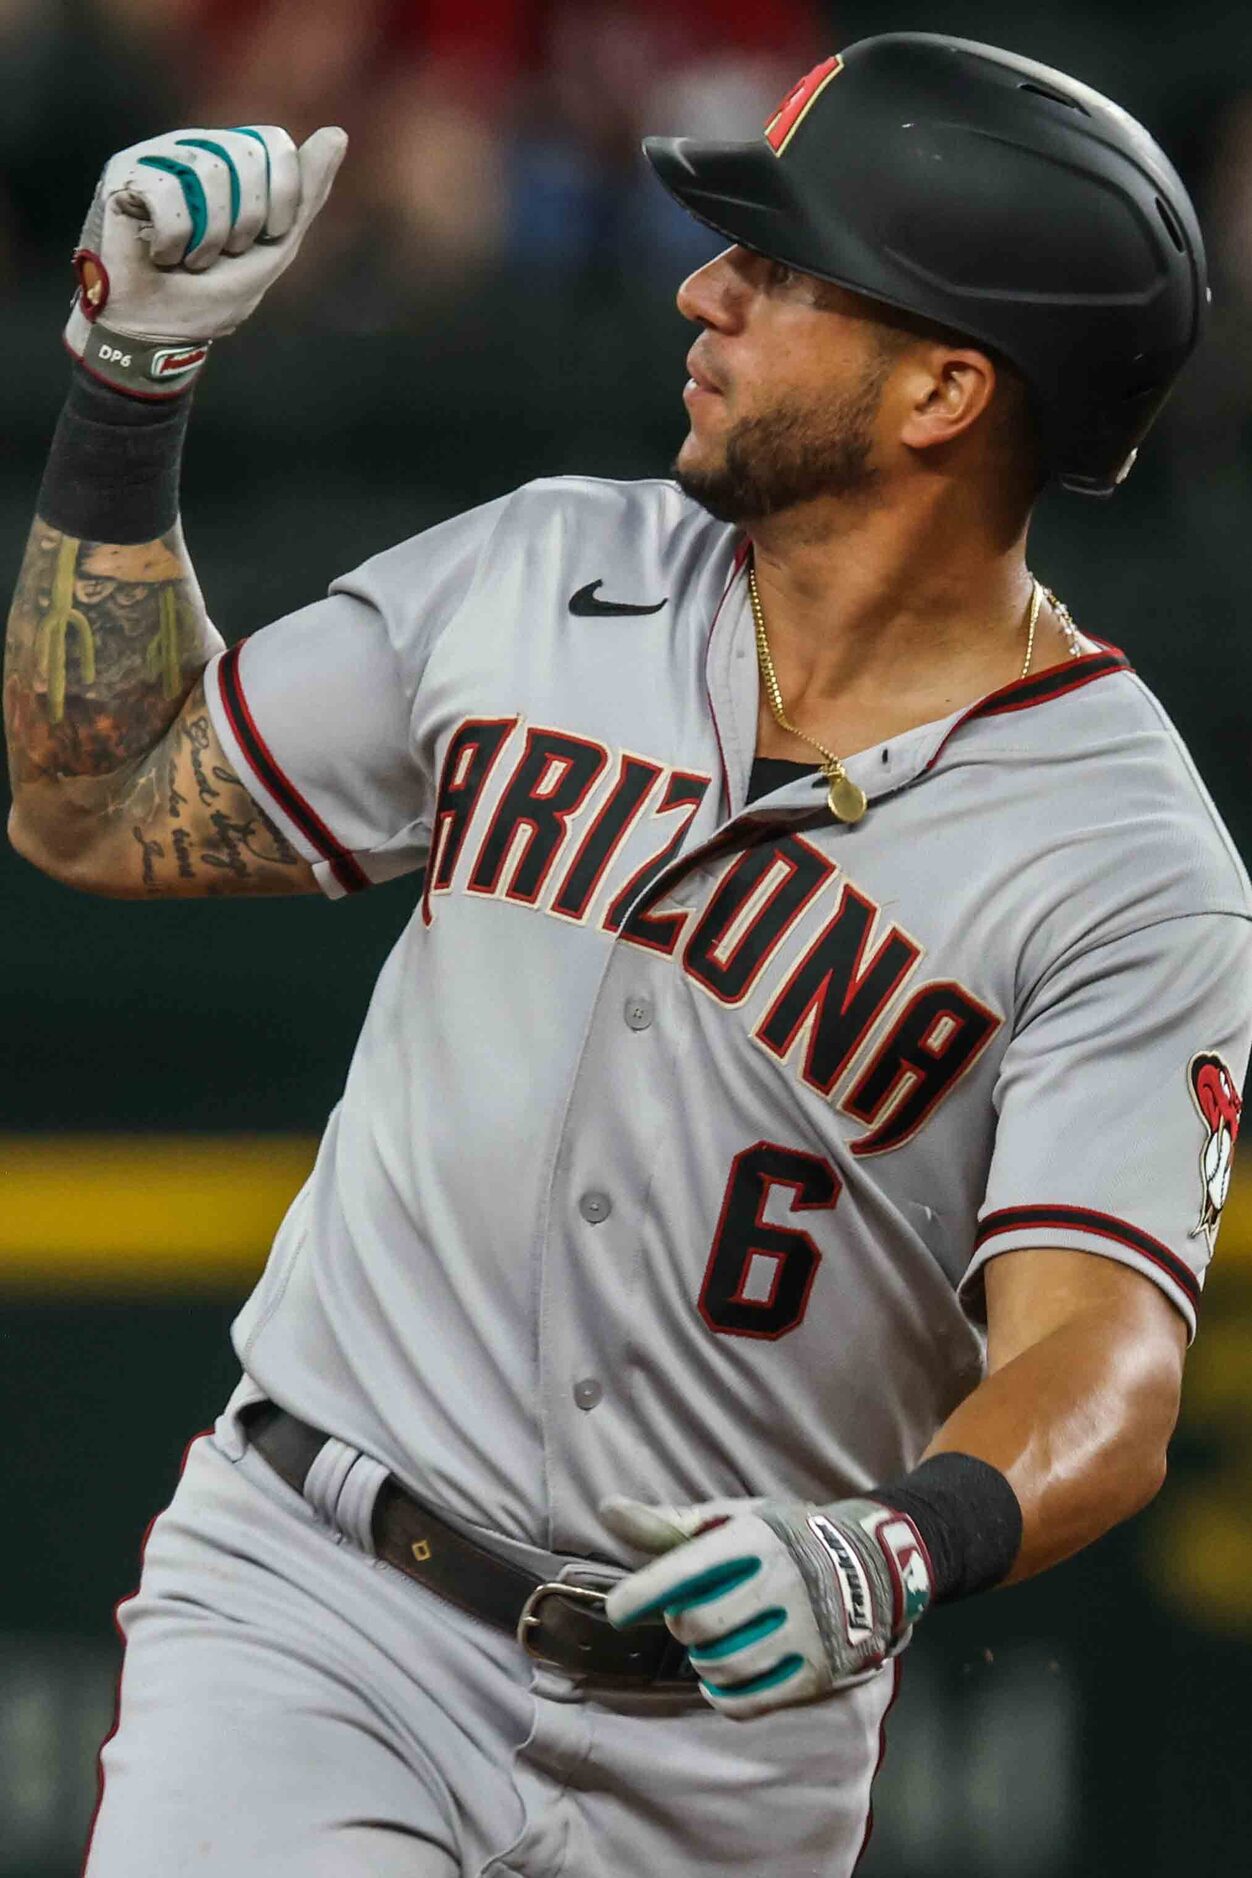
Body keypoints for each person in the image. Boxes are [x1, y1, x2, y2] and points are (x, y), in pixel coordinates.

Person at [5, 33, 1249, 1878]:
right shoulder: (539, 573)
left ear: (943, 388)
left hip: (734, 1754)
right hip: (325, 1606)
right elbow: (90, 808)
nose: (703, 286)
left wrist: (891, 1544)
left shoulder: (1130, 864)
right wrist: (131, 385)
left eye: (781, 269)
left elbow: (1110, 1372)